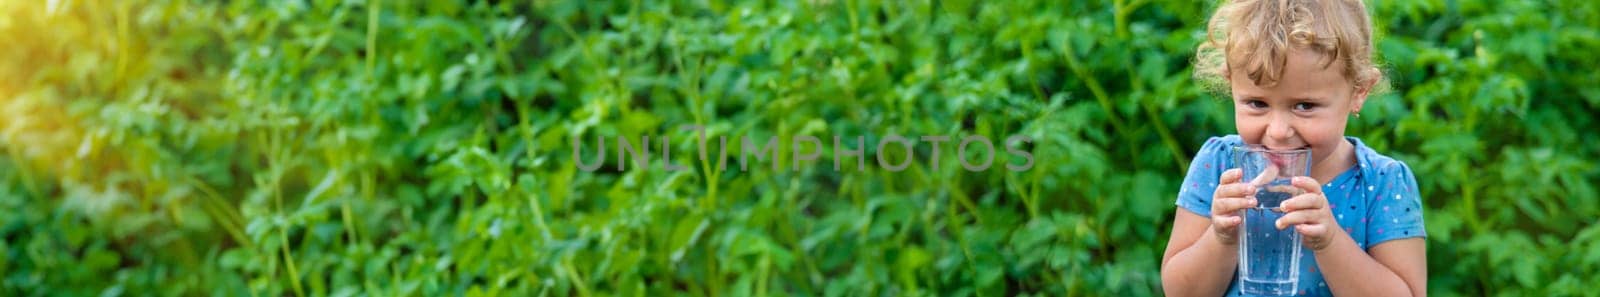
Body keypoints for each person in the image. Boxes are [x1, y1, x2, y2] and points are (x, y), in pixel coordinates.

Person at [1159, 0, 1427, 296]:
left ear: (1358, 91)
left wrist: (1330, 242)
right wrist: (1221, 237)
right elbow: (1179, 292)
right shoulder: (1221, 165)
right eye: (1257, 103)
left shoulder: (1380, 182)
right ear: (1231, 84)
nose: (1278, 132)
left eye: (1304, 106)